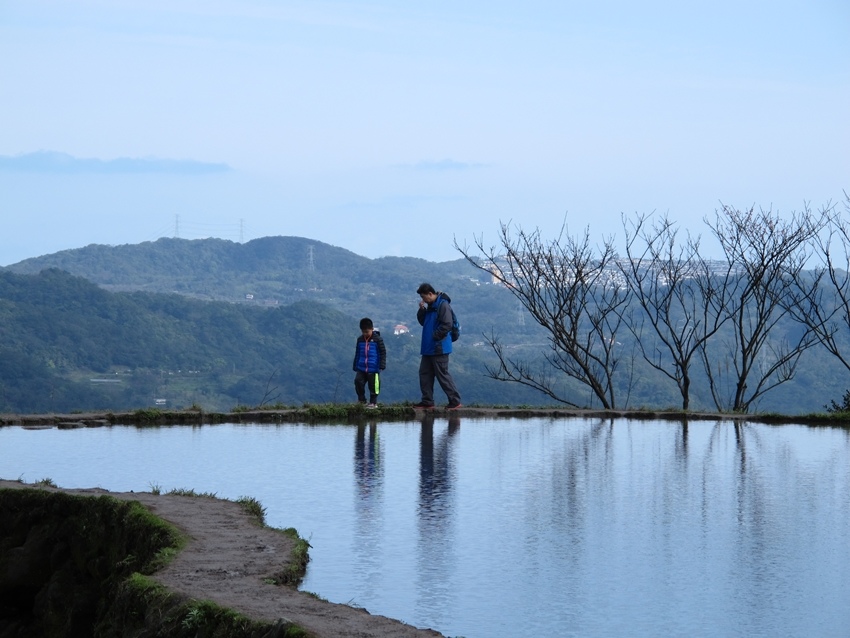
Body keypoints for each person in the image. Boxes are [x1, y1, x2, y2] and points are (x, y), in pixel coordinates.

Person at [414, 283, 462, 410]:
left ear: (430, 294)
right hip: (428, 347)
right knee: (425, 373)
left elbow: (447, 324)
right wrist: (421, 310)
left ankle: (454, 401)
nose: (423, 300)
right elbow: (423, 322)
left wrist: (436, 336)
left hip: (439, 347)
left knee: (442, 374)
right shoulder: (430, 306)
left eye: (424, 297)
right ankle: (427, 401)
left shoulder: (443, 305)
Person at [353, 317, 386, 408]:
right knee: (358, 381)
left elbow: (383, 352)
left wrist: (382, 365)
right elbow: (357, 353)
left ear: (372, 329)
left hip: (373, 367)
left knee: (374, 386)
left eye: (367, 332)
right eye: (363, 332)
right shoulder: (360, 340)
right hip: (361, 366)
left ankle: (373, 402)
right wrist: (355, 365)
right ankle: (362, 400)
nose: (365, 334)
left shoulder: (378, 339)